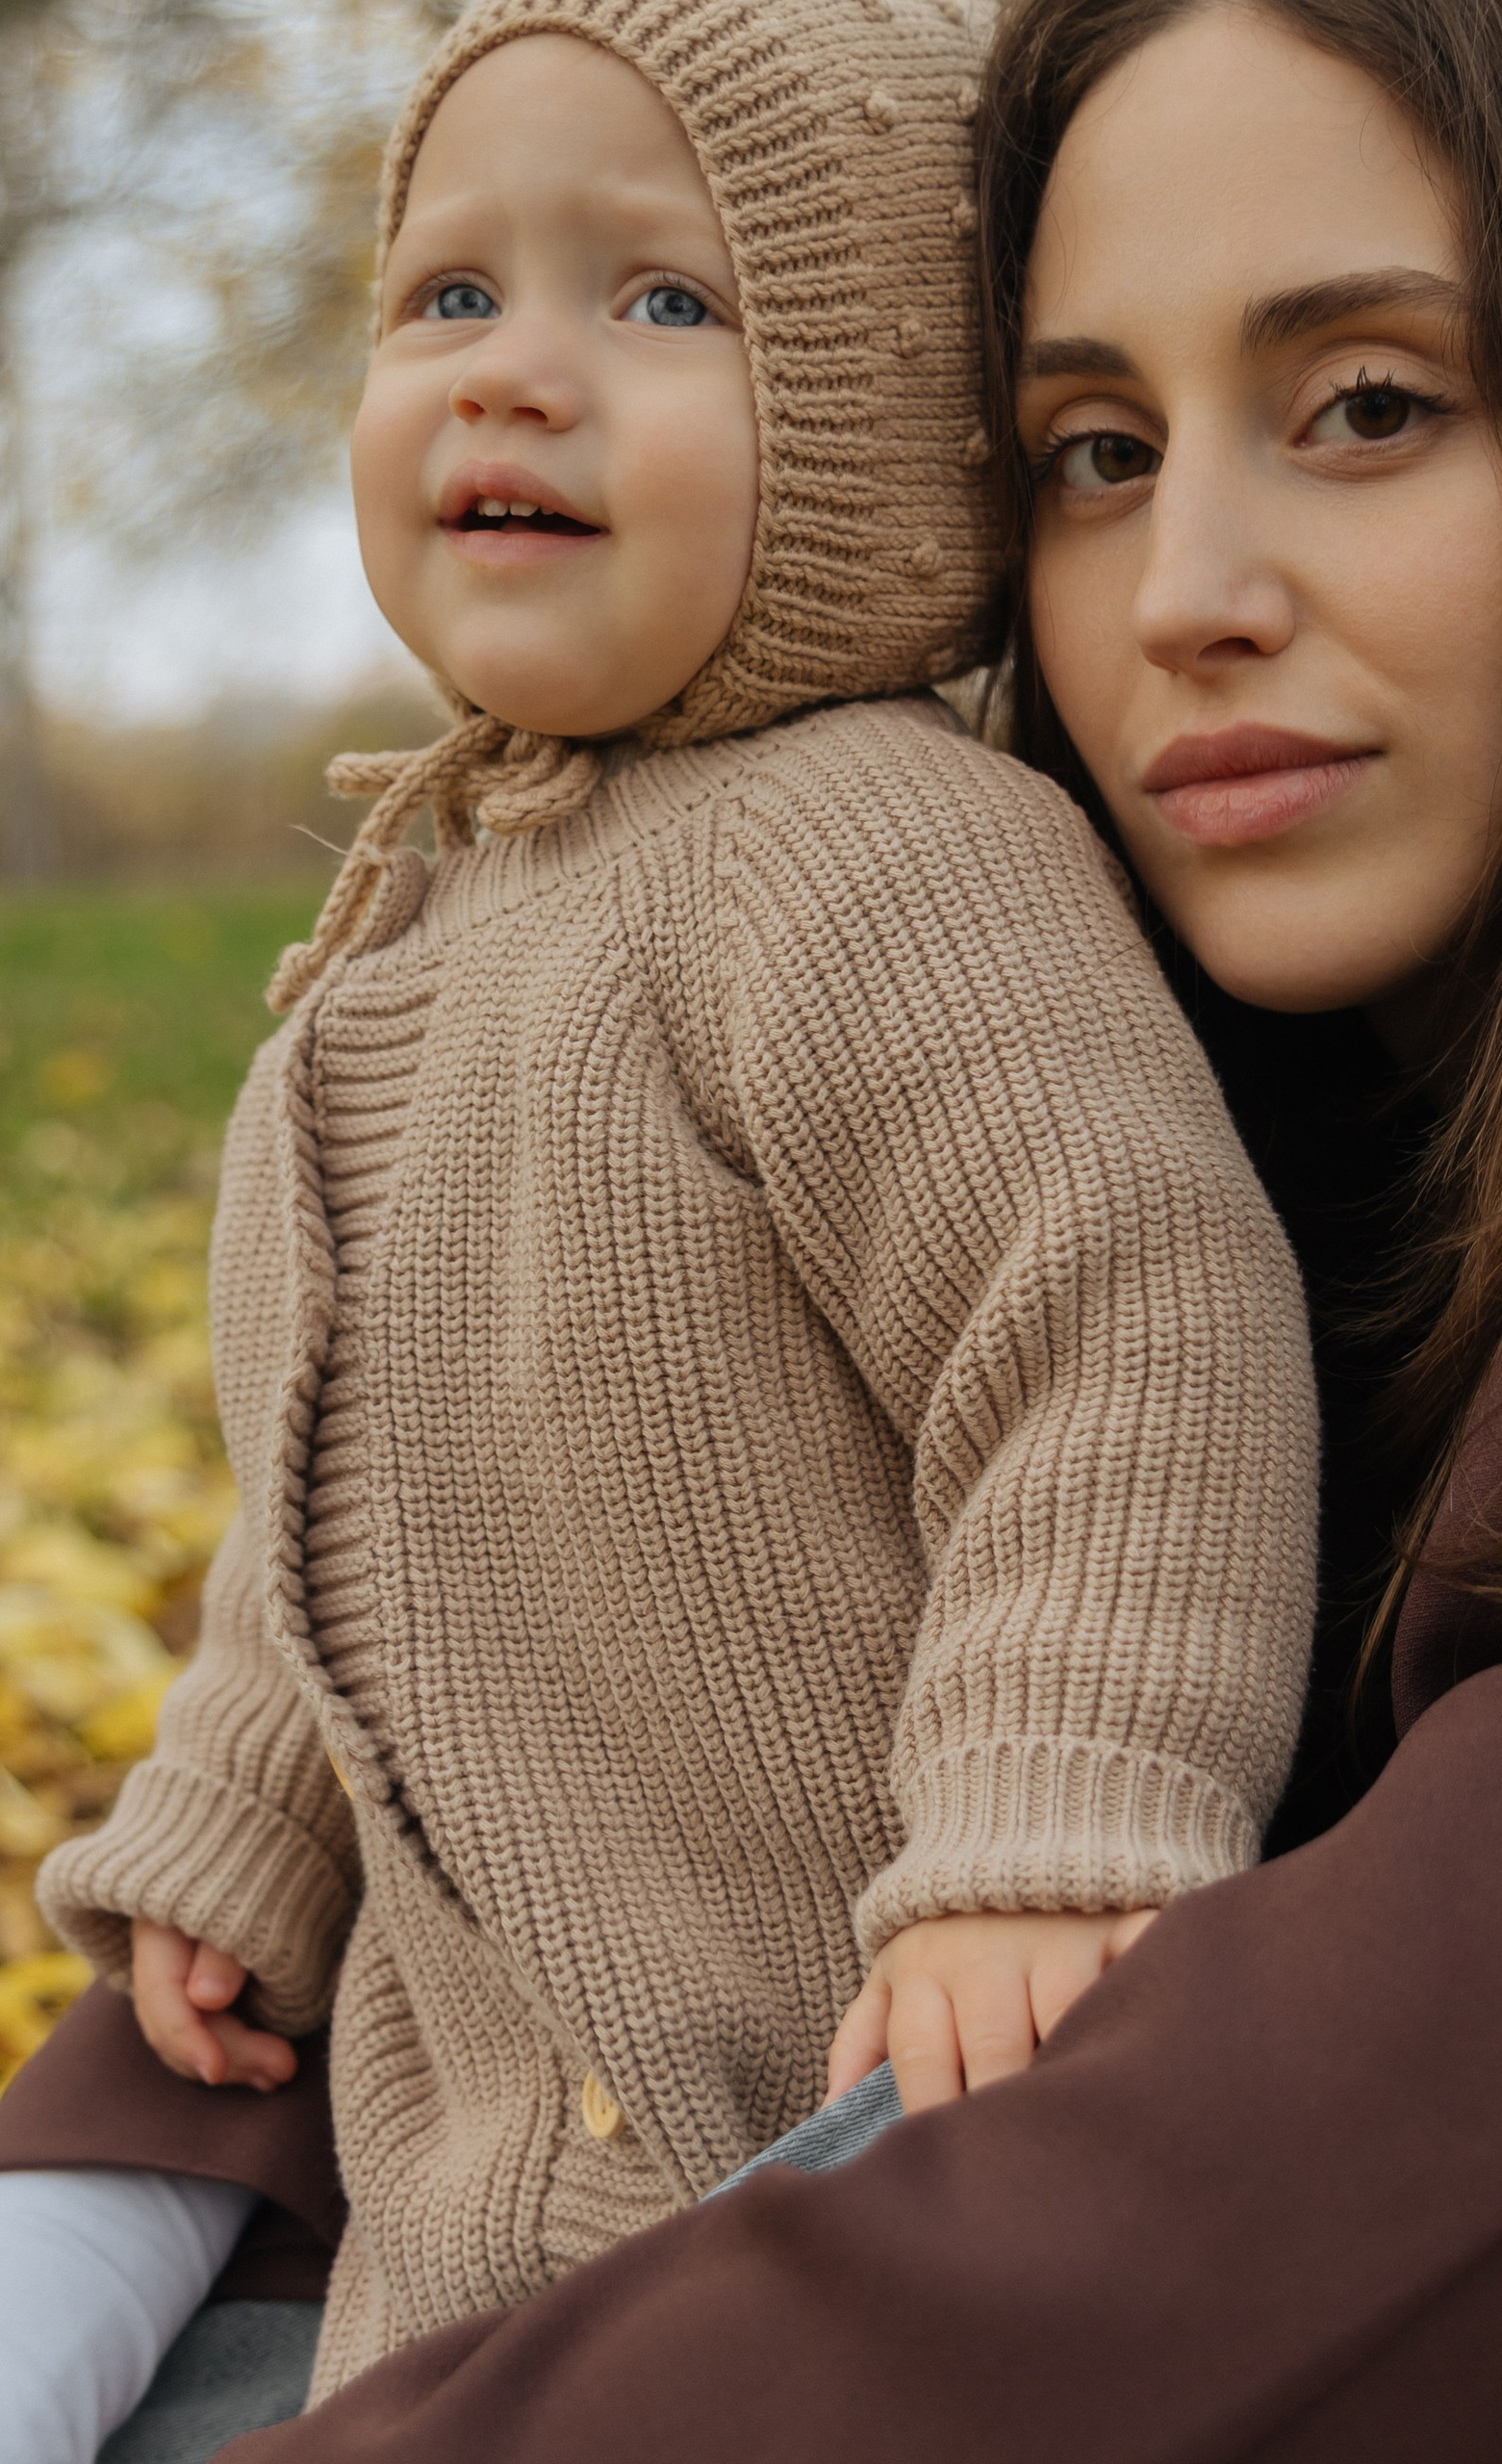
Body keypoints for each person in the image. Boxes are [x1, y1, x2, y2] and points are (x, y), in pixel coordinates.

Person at [13, 0, 1502, 2453]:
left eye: (1368, 406)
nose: (1181, 591)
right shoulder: (1166, 1035)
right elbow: (520, 1668)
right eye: (1094, 452)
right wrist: (119, 2145)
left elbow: (1326, 2200)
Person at [0, 0, 1323, 2448]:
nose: (512, 373)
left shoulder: (875, 852)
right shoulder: (412, 928)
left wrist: (1050, 1817)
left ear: (884, 422)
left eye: (661, 299)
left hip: (865, 2163)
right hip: (475, 2253)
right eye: (449, 292)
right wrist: (237, 1821)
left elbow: (1119, 1322)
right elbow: (348, 1493)